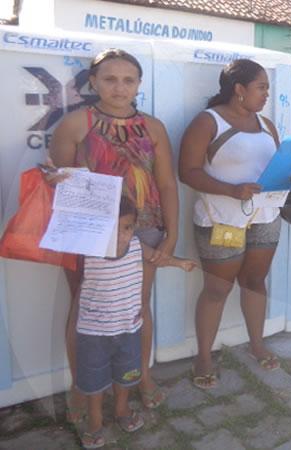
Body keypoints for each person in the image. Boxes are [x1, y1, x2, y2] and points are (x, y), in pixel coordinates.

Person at [48, 49, 179, 417]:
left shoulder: (153, 127)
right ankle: (82, 387)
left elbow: (167, 183)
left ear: (139, 84)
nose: (119, 88)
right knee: (83, 310)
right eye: (109, 79)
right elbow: (58, 184)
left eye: (128, 80)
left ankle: (142, 378)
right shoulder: (76, 124)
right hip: (86, 236)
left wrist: (170, 236)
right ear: (93, 82)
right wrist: (54, 177)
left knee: (138, 308)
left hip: (145, 231)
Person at [179, 59, 291, 389]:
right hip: (221, 219)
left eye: (267, 87)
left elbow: (275, 166)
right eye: (261, 87)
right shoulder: (208, 122)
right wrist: (231, 190)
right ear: (239, 90)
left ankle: (256, 343)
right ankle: (204, 356)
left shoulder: (266, 124)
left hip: (265, 217)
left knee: (255, 281)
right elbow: (187, 172)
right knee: (217, 288)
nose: (267, 93)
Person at [77, 197, 196, 449]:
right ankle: (94, 423)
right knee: (94, 381)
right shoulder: (87, 249)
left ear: (134, 227)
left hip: (129, 328)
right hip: (94, 334)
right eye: (112, 227)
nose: (120, 235)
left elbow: (157, 258)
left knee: (126, 375)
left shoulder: (136, 245)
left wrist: (179, 263)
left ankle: (121, 411)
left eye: (127, 227)